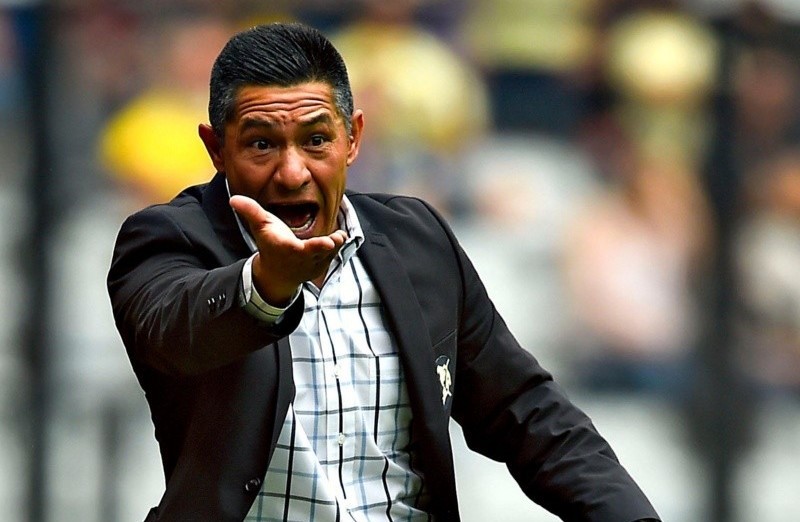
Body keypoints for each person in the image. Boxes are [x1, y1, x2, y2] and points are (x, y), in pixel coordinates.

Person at [107, 22, 661, 522]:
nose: (292, 172)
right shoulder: (166, 238)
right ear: (215, 149)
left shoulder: (418, 240)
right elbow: (172, 333)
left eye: (316, 140)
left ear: (353, 138)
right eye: (261, 144)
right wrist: (266, 285)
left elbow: (527, 413)